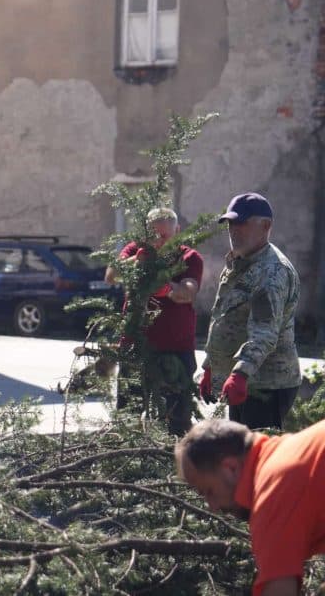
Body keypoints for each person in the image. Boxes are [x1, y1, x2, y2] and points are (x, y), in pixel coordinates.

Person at [174, 418, 325, 596]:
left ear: (231, 468)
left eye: (209, 491)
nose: (212, 506)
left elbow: (279, 590)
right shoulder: (289, 452)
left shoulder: (271, 491)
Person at [200, 193, 300, 429]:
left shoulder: (272, 272)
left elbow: (264, 333)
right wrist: (210, 366)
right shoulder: (240, 263)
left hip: (268, 385)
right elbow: (223, 319)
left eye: (241, 223)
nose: (234, 230)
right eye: (230, 224)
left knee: (260, 460)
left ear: (265, 226)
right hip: (244, 382)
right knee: (242, 458)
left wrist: (240, 374)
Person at [105, 207, 203, 434]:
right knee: (128, 416)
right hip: (135, 346)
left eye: (165, 236)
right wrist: (136, 263)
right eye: (154, 236)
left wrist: (166, 288)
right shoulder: (135, 250)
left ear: (177, 231)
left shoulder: (189, 257)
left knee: (177, 419)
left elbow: (188, 292)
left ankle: (173, 464)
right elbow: (111, 275)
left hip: (176, 350)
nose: (159, 242)